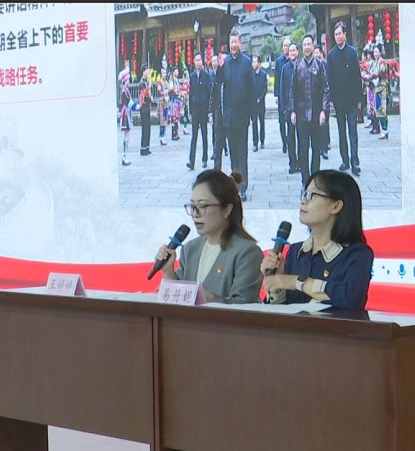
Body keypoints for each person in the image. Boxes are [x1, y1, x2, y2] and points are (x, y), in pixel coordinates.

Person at [261, 170, 374, 310]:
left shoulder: (356, 254)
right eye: (304, 194)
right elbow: (279, 313)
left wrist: (296, 282)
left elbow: (350, 297)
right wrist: (277, 284)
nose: (303, 201)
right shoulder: (296, 252)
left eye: (312, 195)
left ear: (336, 206)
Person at [155, 170, 264, 303]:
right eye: (192, 206)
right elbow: (179, 301)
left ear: (227, 210)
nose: (195, 213)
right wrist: (168, 272)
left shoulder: (247, 252)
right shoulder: (190, 249)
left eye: (202, 206)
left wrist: (208, 298)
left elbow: (245, 306)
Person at [216, 29, 255, 201]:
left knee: (242, 152)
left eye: (235, 42)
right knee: (232, 152)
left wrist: (250, 113)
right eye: (231, 42)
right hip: (229, 116)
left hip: (242, 115)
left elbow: (252, 89)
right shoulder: (225, 62)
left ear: (240, 42)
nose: (233, 45)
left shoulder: (246, 62)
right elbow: (218, 81)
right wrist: (219, 67)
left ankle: (243, 187)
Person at [288, 34, 330, 187]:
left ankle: (315, 179)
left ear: (313, 46)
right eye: (304, 44)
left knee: (316, 149)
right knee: (303, 149)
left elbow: (326, 89)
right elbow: (292, 90)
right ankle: (305, 181)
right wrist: (292, 110)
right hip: (301, 115)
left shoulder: (320, 65)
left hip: (316, 114)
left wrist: (324, 110)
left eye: (309, 44)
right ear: (302, 47)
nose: (306, 47)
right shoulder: (297, 66)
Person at [327, 21, 362, 176]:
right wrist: (331, 99)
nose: (337, 37)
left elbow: (357, 77)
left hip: (352, 100)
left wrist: (359, 100)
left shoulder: (352, 52)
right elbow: (330, 79)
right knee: (342, 132)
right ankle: (345, 160)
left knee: (353, 132)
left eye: (339, 33)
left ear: (345, 34)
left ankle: (355, 162)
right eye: (335, 34)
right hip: (339, 101)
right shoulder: (331, 55)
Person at [278, 42, 300, 174]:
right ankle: (292, 163)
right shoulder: (285, 68)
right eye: (290, 50)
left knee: (301, 138)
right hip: (289, 108)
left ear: (297, 52)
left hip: (301, 108)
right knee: (291, 137)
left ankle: (300, 162)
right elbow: (282, 88)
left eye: (293, 50)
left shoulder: (302, 65)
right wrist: (284, 107)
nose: (291, 52)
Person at [188, 54, 211, 170]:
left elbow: (209, 93)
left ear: (202, 61)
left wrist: (209, 111)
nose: (198, 62)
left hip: (204, 110)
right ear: (194, 61)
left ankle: (204, 158)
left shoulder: (206, 76)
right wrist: (190, 111)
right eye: (196, 60)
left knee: (204, 135)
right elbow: (190, 94)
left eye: (199, 60)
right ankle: (191, 161)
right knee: (194, 136)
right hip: (195, 110)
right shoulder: (192, 76)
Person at [210, 52, 231, 168]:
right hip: (219, 116)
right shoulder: (216, 79)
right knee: (217, 147)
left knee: (232, 146)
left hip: (230, 116)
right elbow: (212, 97)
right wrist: (210, 113)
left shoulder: (230, 78)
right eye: (220, 60)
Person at [313, 46, 331, 161]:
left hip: (325, 98)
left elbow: (329, 81)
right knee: (316, 125)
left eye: (317, 52)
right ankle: (319, 147)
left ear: (321, 53)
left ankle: (325, 148)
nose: (316, 55)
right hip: (315, 100)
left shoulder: (325, 65)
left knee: (325, 124)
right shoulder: (311, 66)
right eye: (314, 53)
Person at [274, 37, 291, 155]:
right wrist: (276, 95)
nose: (286, 48)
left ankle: (290, 142)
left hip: (291, 95)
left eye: (287, 46)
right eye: (284, 46)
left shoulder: (294, 59)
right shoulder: (279, 61)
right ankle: (284, 142)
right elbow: (276, 78)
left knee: (290, 122)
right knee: (282, 122)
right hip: (281, 94)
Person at [251, 55, 268, 152]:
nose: (253, 64)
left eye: (255, 62)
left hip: (261, 103)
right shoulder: (251, 74)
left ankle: (262, 141)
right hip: (253, 103)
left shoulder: (263, 74)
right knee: (254, 123)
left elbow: (265, 89)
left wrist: (260, 98)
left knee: (262, 123)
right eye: (252, 62)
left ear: (259, 63)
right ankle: (255, 143)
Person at [373, 46, 390, 139]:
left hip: (382, 87)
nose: (375, 54)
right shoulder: (375, 62)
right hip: (377, 88)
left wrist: (374, 74)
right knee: (379, 110)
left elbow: (381, 71)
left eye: (376, 52)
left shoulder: (382, 62)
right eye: (374, 52)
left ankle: (385, 130)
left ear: (380, 53)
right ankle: (384, 130)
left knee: (382, 110)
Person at [118, 68, 132, 166]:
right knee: (127, 135)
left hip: (127, 112)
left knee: (127, 135)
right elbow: (128, 102)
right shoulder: (124, 91)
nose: (128, 81)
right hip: (125, 113)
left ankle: (125, 156)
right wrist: (137, 106)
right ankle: (124, 156)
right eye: (127, 80)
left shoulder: (125, 90)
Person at [138, 65, 153, 157]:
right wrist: (150, 99)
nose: (148, 72)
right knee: (145, 128)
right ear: (143, 72)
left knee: (148, 128)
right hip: (143, 107)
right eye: (147, 71)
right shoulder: (142, 83)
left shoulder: (146, 82)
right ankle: (143, 149)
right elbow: (144, 96)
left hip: (147, 107)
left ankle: (147, 147)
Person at [169, 67, 183, 141]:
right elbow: (171, 89)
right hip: (174, 99)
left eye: (177, 71)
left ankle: (177, 133)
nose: (177, 72)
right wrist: (176, 92)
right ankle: (173, 134)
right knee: (174, 117)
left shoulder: (176, 80)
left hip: (178, 99)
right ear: (173, 72)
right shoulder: (172, 80)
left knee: (177, 117)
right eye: (176, 71)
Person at [157, 68, 169, 146]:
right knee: (162, 120)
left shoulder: (166, 82)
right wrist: (164, 92)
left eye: (165, 73)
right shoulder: (160, 82)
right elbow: (159, 91)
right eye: (163, 73)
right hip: (162, 102)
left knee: (165, 120)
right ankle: (161, 137)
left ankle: (163, 135)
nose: (164, 75)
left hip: (166, 102)